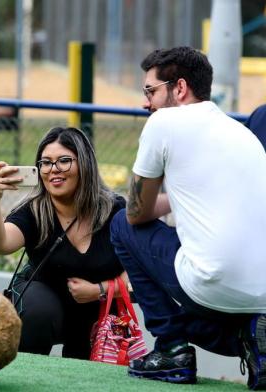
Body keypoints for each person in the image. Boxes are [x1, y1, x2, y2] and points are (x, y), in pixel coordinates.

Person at [110, 46, 266, 389]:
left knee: (120, 224)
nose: (145, 103)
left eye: (150, 91)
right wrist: (175, 200)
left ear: (179, 88)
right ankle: (254, 339)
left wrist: (160, 203)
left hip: (213, 287)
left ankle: (171, 350)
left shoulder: (165, 121)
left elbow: (136, 214)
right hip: (262, 295)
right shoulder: (241, 133)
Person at [0, 126, 127, 359]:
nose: (53, 170)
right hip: (45, 308)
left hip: (98, 314)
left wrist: (97, 291)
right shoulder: (33, 210)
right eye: (46, 163)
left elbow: (139, 274)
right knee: (39, 310)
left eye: (64, 161)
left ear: (85, 165)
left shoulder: (115, 210)